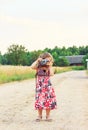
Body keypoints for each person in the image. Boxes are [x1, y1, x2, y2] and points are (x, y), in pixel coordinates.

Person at [31, 52, 57, 122]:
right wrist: (37, 61)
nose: (44, 62)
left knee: (48, 100)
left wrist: (49, 65)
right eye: (44, 60)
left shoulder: (50, 66)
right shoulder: (38, 66)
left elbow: (51, 74)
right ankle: (39, 116)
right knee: (40, 100)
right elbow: (32, 67)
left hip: (48, 86)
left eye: (47, 60)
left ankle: (48, 116)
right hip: (40, 86)